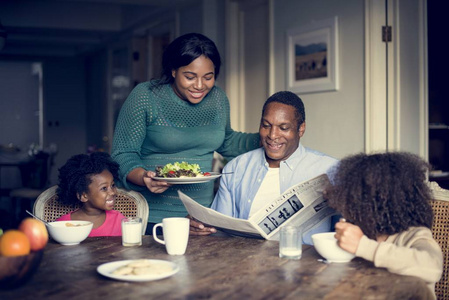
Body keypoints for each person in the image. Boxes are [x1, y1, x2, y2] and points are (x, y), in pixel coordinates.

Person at [111, 33, 259, 233]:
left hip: (201, 216)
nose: (199, 86)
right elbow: (122, 154)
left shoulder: (217, 98)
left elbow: (227, 142)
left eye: (208, 77)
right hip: (150, 216)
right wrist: (144, 177)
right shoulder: (146, 96)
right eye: (190, 77)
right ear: (173, 70)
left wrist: (269, 137)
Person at [190, 91, 338, 244]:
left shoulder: (329, 169)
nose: (272, 135)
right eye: (266, 126)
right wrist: (200, 227)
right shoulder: (236, 168)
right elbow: (218, 231)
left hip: (304, 263)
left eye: (283, 128)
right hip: (243, 262)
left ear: (301, 129)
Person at [324, 152, 443, 298]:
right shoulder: (364, 231)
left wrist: (362, 246)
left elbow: (432, 267)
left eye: (355, 201)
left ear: (380, 204)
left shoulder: (414, 235)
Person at [56, 152, 125, 237]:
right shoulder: (62, 225)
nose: (113, 192)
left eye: (113, 185)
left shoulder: (120, 221)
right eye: (104, 188)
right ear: (83, 196)